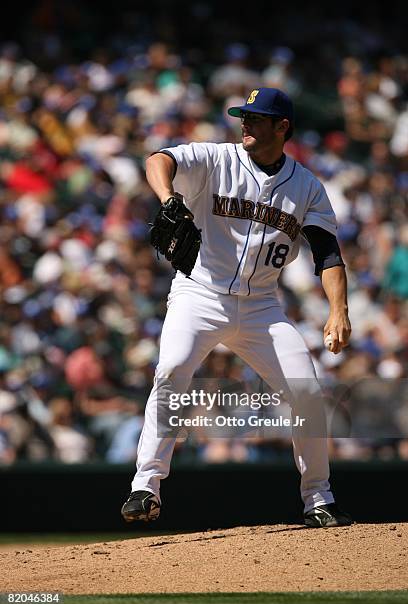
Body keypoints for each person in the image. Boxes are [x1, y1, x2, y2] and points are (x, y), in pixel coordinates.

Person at [121, 87, 353, 528]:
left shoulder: (306, 187)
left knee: (306, 389)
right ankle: (144, 487)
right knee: (171, 371)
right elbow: (158, 159)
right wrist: (169, 198)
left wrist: (338, 310)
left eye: (256, 118)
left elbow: (327, 254)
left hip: (262, 307)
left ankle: (319, 499)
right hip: (199, 294)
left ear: (282, 127)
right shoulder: (217, 159)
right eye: (243, 116)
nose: (245, 123)